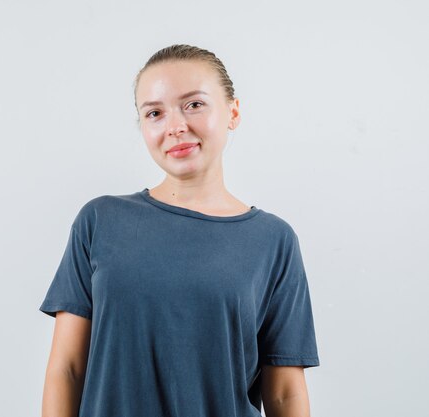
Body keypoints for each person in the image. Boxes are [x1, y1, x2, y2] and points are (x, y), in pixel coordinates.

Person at [39, 44, 320, 417]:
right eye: (155, 113)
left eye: (194, 104)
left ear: (233, 111)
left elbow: (285, 393)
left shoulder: (273, 240)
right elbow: (67, 370)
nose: (175, 127)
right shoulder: (100, 221)